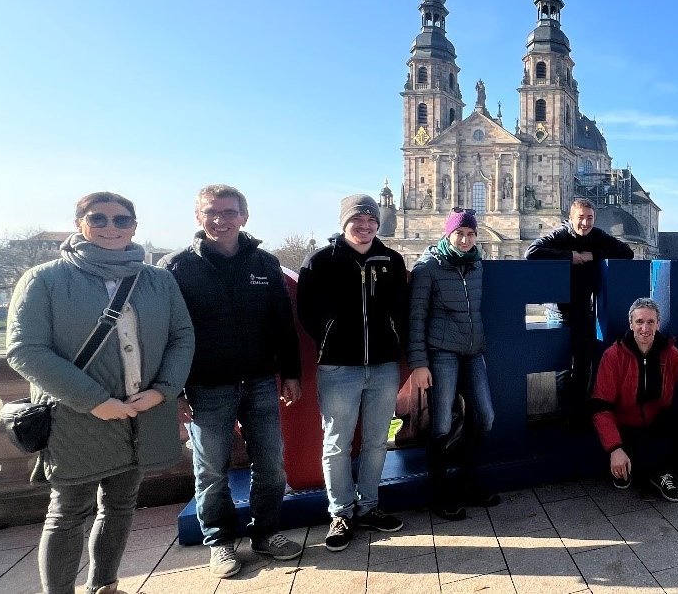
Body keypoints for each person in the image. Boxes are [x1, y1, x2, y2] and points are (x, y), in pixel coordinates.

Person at [7, 192, 194, 594]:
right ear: (80, 223)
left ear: (134, 226)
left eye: (122, 220)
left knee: (122, 504)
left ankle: (104, 585)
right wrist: (94, 400)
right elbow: (25, 350)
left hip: (141, 414)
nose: (111, 227)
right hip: (75, 417)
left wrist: (163, 391)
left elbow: (182, 337)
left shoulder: (158, 279)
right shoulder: (44, 278)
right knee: (69, 513)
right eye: (99, 218)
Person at [161, 185, 303, 577]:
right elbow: (162, 334)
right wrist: (171, 391)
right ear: (198, 217)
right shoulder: (175, 266)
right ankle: (220, 541)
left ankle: (266, 532)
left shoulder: (264, 262)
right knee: (211, 471)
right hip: (205, 387)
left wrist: (291, 373)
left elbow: (282, 325)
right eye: (212, 212)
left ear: (244, 216)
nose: (220, 219)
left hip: (259, 380)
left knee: (272, 465)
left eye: (229, 212)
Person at [297, 194, 409, 551]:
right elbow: (307, 314)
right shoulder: (320, 261)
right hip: (338, 367)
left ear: (378, 224)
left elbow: (402, 312)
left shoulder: (391, 260)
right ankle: (341, 513)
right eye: (356, 222)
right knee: (337, 443)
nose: (364, 227)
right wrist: (331, 339)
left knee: (377, 441)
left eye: (370, 221)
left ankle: (369, 506)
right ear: (344, 223)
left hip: (383, 365)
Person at [408, 208, 500, 521]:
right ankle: (439, 492)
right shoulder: (428, 267)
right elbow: (416, 317)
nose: (465, 239)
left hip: (473, 351)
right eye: (459, 233)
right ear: (449, 234)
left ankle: (466, 482)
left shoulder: (476, 263)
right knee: (442, 424)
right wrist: (419, 362)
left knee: (485, 416)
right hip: (442, 352)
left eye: (471, 234)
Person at [525, 198, 635, 423]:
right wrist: (570, 257)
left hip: (584, 309)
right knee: (562, 364)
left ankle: (580, 415)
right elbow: (531, 251)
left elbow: (627, 252)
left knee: (584, 364)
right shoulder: (560, 236)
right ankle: (564, 414)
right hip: (559, 311)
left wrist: (594, 256)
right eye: (581, 218)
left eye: (589, 218)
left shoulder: (597, 236)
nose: (585, 223)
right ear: (571, 218)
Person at [590, 298, 678, 502]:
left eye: (651, 322)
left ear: (658, 324)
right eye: (640, 321)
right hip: (624, 424)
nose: (645, 328)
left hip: (655, 423)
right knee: (625, 452)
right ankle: (636, 464)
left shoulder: (672, 354)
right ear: (631, 324)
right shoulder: (614, 355)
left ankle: (658, 472)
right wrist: (614, 448)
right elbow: (600, 405)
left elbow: (674, 384)